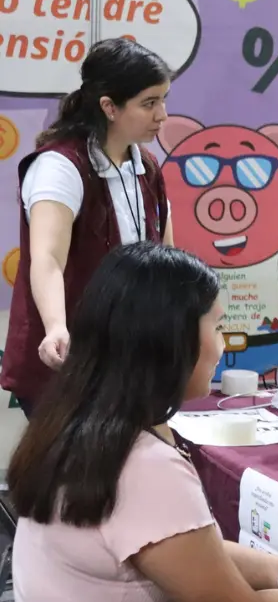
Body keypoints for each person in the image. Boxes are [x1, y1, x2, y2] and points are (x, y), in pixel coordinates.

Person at [6, 243, 278, 602]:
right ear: (171, 340)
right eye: (218, 326)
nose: (222, 345)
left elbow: (192, 552)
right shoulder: (145, 467)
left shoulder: (74, 423)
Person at [1, 38, 176, 419]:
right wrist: (55, 327)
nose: (162, 114)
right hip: (68, 365)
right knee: (73, 477)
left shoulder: (145, 167)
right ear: (109, 107)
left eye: (163, 99)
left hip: (126, 361)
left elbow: (168, 260)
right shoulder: (59, 166)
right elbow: (46, 258)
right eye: (149, 103)